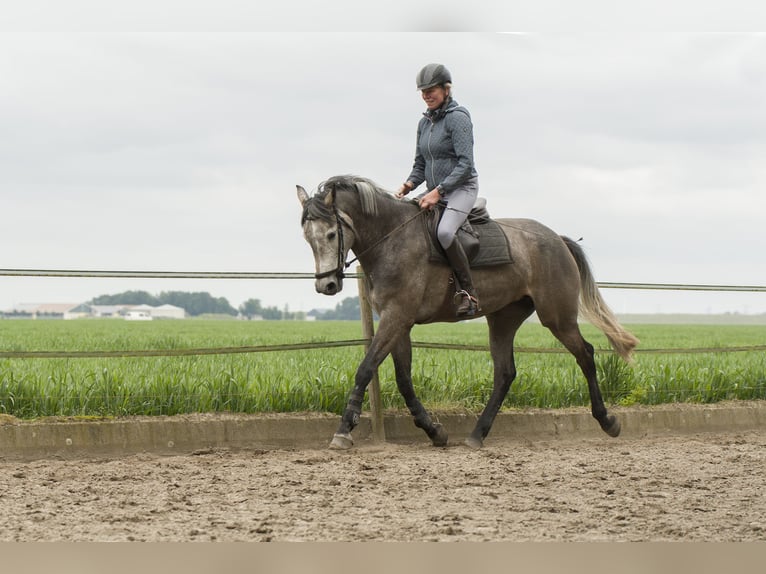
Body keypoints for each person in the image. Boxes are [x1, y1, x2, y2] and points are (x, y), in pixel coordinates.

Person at [396, 63, 480, 317]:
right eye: (422, 91)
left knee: (444, 232)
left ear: (446, 89)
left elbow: (466, 165)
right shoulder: (424, 124)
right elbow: (420, 164)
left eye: (431, 90)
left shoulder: (458, 118)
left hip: (462, 188)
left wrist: (438, 192)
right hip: (436, 191)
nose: (426, 95)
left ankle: (469, 293)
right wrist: (408, 184)